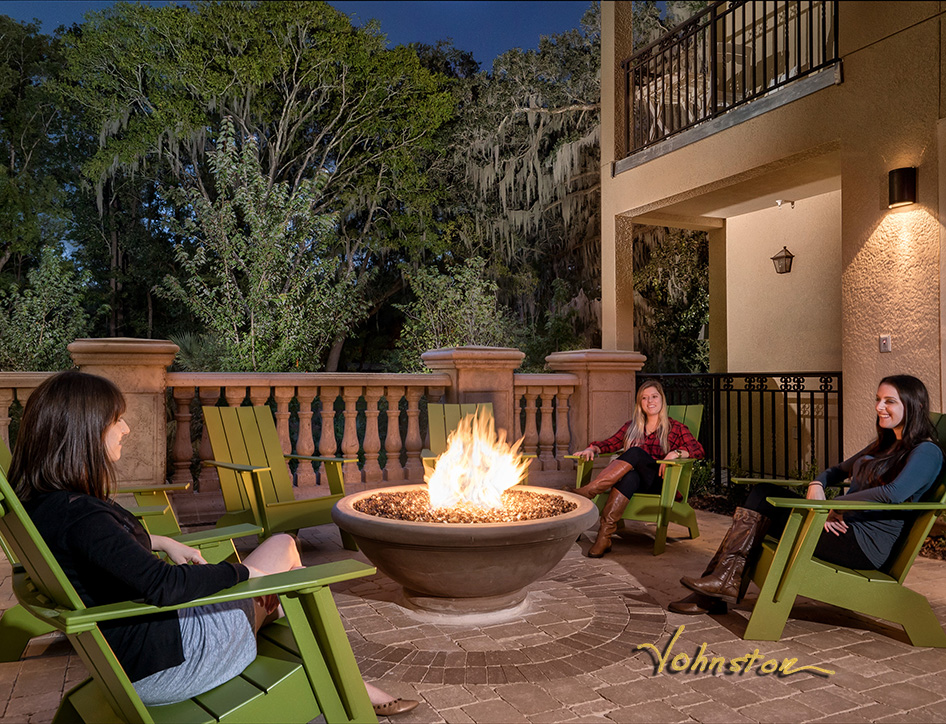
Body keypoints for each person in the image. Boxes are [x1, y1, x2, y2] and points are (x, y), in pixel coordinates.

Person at [8, 370, 417, 716]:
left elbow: (99, 552)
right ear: (82, 432)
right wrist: (242, 573)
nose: (126, 429)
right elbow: (163, 585)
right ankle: (350, 684)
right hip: (171, 665)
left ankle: (346, 676)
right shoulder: (86, 518)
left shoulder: (47, 506)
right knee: (283, 554)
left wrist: (161, 539)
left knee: (275, 567)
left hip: (139, 652)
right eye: (116, 420)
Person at [669, 374, 944, 616]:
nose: (879, 407)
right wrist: (816, 484)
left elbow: (892, 494)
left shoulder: (926, 452)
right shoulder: (884, 444)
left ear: (916, 406)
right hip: (840, 528)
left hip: (862, 544)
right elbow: (836, 471)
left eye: (889, 401)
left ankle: (716, 590)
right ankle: (718, 587)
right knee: (763, 492)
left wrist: (834, 506)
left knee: (763, 504)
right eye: (878, 399)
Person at [568, 380, 704, 558]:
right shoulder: (632, 427)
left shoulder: (676, 428)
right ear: (640, 403)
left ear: (662, 399)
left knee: (635, 453)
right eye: (644, 398)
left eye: (654, 396)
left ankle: (590, 491)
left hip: (661, 484)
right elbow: (610, 443)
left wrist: (675, 453)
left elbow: (698, 450)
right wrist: (592, 449)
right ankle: (604, 537)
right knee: (630, 476)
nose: (650, 401)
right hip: (635, 484)